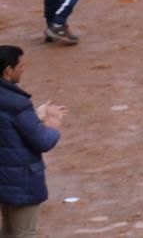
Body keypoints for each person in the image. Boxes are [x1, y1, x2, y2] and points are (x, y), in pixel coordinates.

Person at [0, 43, 66, 238]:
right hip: (20, 180)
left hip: (3, 178)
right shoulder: (17, 103)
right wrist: (54, 125)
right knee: (24, 233)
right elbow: (43, 141)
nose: (23, 68)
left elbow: (8, 129)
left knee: (7, 231)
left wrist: (34, 117)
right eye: (20, 65)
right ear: (8, 70)